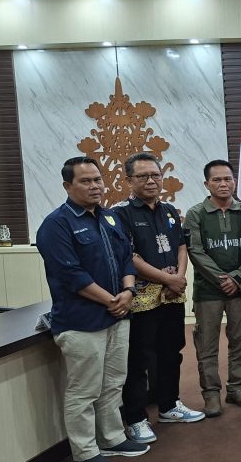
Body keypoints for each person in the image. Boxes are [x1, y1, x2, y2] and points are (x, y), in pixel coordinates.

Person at [37, 157, 148, 462]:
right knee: (84, 390)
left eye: (97, 179)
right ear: (67, 186)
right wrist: (112, 300)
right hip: (81, 322)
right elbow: (71, 275)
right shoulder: (56, 225)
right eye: (85, 181)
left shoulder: (109, 217)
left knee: (113, 384)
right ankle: (85, 451)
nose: (95, 186)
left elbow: (126, 258)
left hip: (118, 316)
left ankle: (112, 438)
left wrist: (128, 291)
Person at [113, 153, 203, 445]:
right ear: (129, 180)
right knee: (139, 358)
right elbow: (129, 257)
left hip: (172, 296)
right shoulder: (120, 214)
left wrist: (179, 278)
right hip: (142, 298)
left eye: (156, 175)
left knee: (171, 352)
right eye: (143, 176)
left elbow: (181, 247)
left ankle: (169, 405)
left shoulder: (169, 210)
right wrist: (168, 280)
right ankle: (136, 418)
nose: (151, 181)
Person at [185, 159, 241, 417]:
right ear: (207, 184)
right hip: (208, 291)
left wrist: (237, 278)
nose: (223, 184)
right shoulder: (196, 214)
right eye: (216, 180)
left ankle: (237, 388)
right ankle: (211, 394)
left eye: (228, 179)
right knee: (207, 345)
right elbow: (195, 251)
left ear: (234, 181)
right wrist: (221, 278)